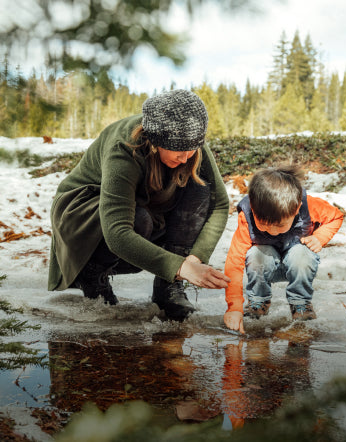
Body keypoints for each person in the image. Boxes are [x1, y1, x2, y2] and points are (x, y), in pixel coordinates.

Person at [48, 89, 230, 321]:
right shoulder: (123, 147)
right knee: (138, 220)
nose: (186, 157)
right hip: (82, 217)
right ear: (156, 142)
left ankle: (169, 287)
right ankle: (93, 274)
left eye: (192, 148)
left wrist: (192, 260)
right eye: (179, 150)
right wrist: (179, 267)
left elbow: (219, 205)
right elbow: (117, 232)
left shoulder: (190, 143)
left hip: (142, 207)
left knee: (201, 186)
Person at [223, 165, 343, 333]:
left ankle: (300, 304)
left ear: (295, 210)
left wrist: (319, 237)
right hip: (266, 264)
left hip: (296, 261)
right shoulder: (247, 216)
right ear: (253, 207)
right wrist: (234, 307)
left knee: (302, 253)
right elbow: (234, 263)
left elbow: (336, 216)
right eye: (263, 224)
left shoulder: (309, 206)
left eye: (280, 225)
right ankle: (258, 301)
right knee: (255, 253)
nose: (272, 230)